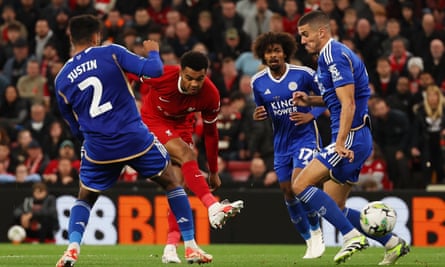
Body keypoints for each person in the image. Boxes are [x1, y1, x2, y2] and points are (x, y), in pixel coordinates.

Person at [54, 15, 212, 267]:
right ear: (96, 37)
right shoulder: (111, 52)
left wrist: (95, 137)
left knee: (84, 197)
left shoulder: (61, 79)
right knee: (172, 182)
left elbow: (72, 125)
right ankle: (191, 248)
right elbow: (155, 71)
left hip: (98, 147)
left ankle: (72, 249)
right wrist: (152, 53)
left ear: (71, 38)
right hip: (134, 138)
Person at [294, 11, 410, 264]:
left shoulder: (333, 55)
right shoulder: (334, 55)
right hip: (357, 137)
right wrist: (310, 99)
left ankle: (351, 236)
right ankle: (392, 242)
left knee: (300, 185)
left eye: (305, 34)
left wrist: (339, 142)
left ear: (321, 32)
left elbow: (348, 105)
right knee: (336, 205)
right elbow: (338, 98)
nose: (302, 41)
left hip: (350, 137)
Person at [137, 50, 244, 264]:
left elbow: (212, 134)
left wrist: (213, 171)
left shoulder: (210, 94)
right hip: (152, 121)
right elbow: (130, 72)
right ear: (179, 73)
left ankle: (176, 248)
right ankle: (213, 207)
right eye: (189, 78)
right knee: (187, 154)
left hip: (181, 127)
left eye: (199, 78)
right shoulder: (162, 75)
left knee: (179, 187)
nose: (194, 84)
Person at [251, 31, 325, 259]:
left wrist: (311, 115)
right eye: (268, 52)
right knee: (287, 193)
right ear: (263, 56)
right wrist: (259, 114)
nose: (273, 55)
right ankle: (309, 239)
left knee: (298, 184)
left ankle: (317, 233)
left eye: (277, 51)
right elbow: (264, 110)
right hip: (281, 142)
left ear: (285, 52)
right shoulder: (258, 82)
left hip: (305, 137)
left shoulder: (303, 74)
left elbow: (328, 97)